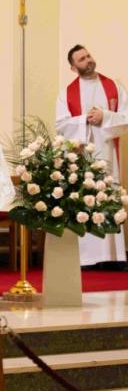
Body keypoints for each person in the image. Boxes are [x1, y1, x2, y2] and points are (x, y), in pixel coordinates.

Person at [56, 44, 128, 271]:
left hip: (108, 153)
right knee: (85, 198)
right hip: (83, 155)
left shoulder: (113, 86)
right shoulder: (66, 93)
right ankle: (87, 258)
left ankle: (114, 256)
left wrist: (104, 116)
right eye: (81, 59)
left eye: (88, 56)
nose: (88, 60)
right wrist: (84, 120)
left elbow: (126, 116)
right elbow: (60, 125)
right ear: (73, 67)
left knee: (109, 197)